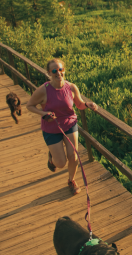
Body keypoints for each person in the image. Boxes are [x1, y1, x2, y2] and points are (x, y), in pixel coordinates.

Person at [24, 58, 99, 195]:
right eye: (54, 71)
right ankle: (52, 158)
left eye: (60, 69)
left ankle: (71, 180)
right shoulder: (43, 90)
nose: (58, 73)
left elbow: (79, 104)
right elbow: (29, 106)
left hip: (70, 123)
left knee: (74, 156)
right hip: (51, 128)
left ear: (64, 70)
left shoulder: (71, 87)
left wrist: (88, 104)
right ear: (49, 73)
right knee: (60, 163)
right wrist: (43, 113)